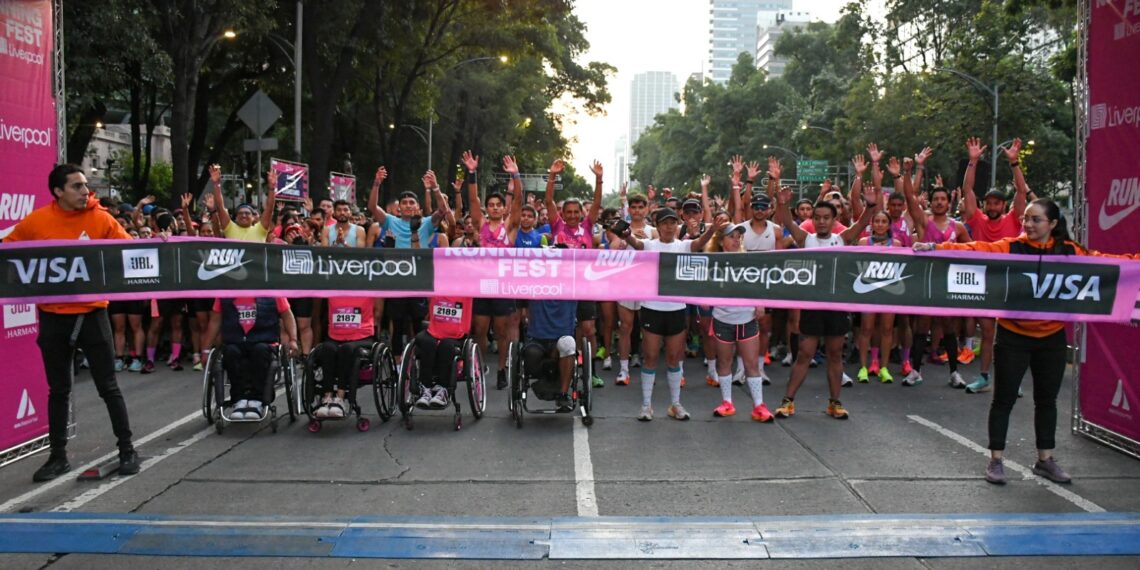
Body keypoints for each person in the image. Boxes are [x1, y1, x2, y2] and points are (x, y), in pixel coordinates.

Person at [914, 198, 1136, 484]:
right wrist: (934, 247)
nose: (1028, 225)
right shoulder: (1011, 247)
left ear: (1053, 225)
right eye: (1026, 219)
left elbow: (1106, 263)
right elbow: (975, 248)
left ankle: (1045, 460)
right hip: (1012, 337)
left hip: (1051, 339)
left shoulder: (1069, 251)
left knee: (1047, 401)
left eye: (1035, 220)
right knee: (1003, 400)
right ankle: (995, 461)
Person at [4, 164, 140, 481]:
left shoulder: (101, 218)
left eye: (85, 185)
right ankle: (58, 457)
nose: (84, 192)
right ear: (57, 192)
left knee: (108, 386)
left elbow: (131, 251)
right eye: (77, 186)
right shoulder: (37, 221)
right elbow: (8, 253)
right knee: (58, 390)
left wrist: (158, 244)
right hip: (53, 317)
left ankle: (127, 450)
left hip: (92, 314)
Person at [772, 156, 879, 421]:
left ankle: (835, 403)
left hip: (836, 306)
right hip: (812, 306)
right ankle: (788, 401)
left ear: (834, 219)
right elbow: (786, 221)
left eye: (825, 218)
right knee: (805, 353)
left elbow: (864, 223)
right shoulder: (805, 238)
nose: (820, 222)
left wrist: (872, 205)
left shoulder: (842, 239)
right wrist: (782, 202)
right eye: (817, 217)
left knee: (834, 353)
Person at [621, 208, 721, 421]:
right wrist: (625, 233)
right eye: (665, 223)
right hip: (651, 309)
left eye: (672, 222)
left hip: (676, 310)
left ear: (677, 225)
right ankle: (646, 405)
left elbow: (700, 243)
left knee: (675, 358)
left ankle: (675, 404)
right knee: (650, 357)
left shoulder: (683, 246)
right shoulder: (649, 244)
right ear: (657, 226)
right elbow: (635, 244)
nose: (668, 226)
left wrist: (713, 230)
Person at [960, 137, 1030, 394]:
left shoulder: (1014, 219)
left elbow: (1021, 191)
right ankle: (984, 377)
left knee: (1012, 337)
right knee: (988, 334)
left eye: (996, 203)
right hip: (983, 283)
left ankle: (1011, 381)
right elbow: (968, 190)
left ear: (1003, 205)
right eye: (988, 202)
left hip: (1009, 283)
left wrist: (1014, 162)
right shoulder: (976, 218)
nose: (991, 206)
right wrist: (973, 161)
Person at [544, 158, 606, 389]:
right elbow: (548, 200)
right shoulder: (557, 226)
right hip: (560, 286)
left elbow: (597, 203)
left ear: (582, 213)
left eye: (575, 212)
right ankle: (568, 365)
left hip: (584, 285)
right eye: (567, 212)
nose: (571, 215)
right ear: (562, 214)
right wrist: (552, 175)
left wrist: (598, 179)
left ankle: (592, 371)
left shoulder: (588, 227)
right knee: (565, 331)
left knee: (589, 329)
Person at [707, 219, 774, 422]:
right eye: (731, 237)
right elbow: (703, 286)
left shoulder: (748, 260)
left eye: (738, 237)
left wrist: (760, 303)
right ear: (720, 241)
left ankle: (758, 406)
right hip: (722, 319)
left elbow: (758, 286)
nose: (736, 241)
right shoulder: (713, 261)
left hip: (746, 318)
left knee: (751, 364)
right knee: (725, 362)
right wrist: (702, 300)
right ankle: (727, 402)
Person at [466, 152, 519, 390]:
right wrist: (471, 173)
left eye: (499, 205)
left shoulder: (509, 227)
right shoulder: (481, 226)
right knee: (479, 330)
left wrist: (516, 176)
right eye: (491, 205)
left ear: (503, 209)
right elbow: (473, 200)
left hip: (502, 285)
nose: (495, 208)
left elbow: (517, 202)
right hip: (481, 284)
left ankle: (501, 368)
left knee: (501, 331)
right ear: (487, 209)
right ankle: (480, 366)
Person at [203, 297, 298, 419]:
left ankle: (257, 400)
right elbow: (215, 321)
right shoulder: (225, 294)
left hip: (264, 341)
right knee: (230, 352)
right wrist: (206, 350)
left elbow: (287, 315)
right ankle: (238, 400)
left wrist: (293, 340)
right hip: (235, 341)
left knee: (260, 351)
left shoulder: (273, 293)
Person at [311, 296, 377, 419]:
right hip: (335, 336)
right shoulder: (333, 290)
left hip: (361, 336)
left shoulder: (366, 290)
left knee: (346, 349)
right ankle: (327, 397)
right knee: (327, 348)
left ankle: (340, 399)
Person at [412, 295, 475, 410]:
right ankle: (425, 388)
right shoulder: (437, 287)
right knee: (427, 342)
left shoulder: (466, 290)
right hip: (434, 330)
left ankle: (443, 388)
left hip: (455, 334)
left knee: (446, 346)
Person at [523, 297, 579, 412]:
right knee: (531, 354)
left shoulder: (571, 286)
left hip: (561, 336)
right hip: (536, 338)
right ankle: (546, 382)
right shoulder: (534, 284)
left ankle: (563, 394)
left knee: (568, 344)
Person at [210, 165, 277, 243]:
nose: (243, 215)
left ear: (253, 217)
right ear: (236, 217)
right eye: (240, 213)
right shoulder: (230, 228)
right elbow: (220, 207)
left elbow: (269, 209)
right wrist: (216, 184)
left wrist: (272, 188)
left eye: (247, 213)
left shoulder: (260, 229)